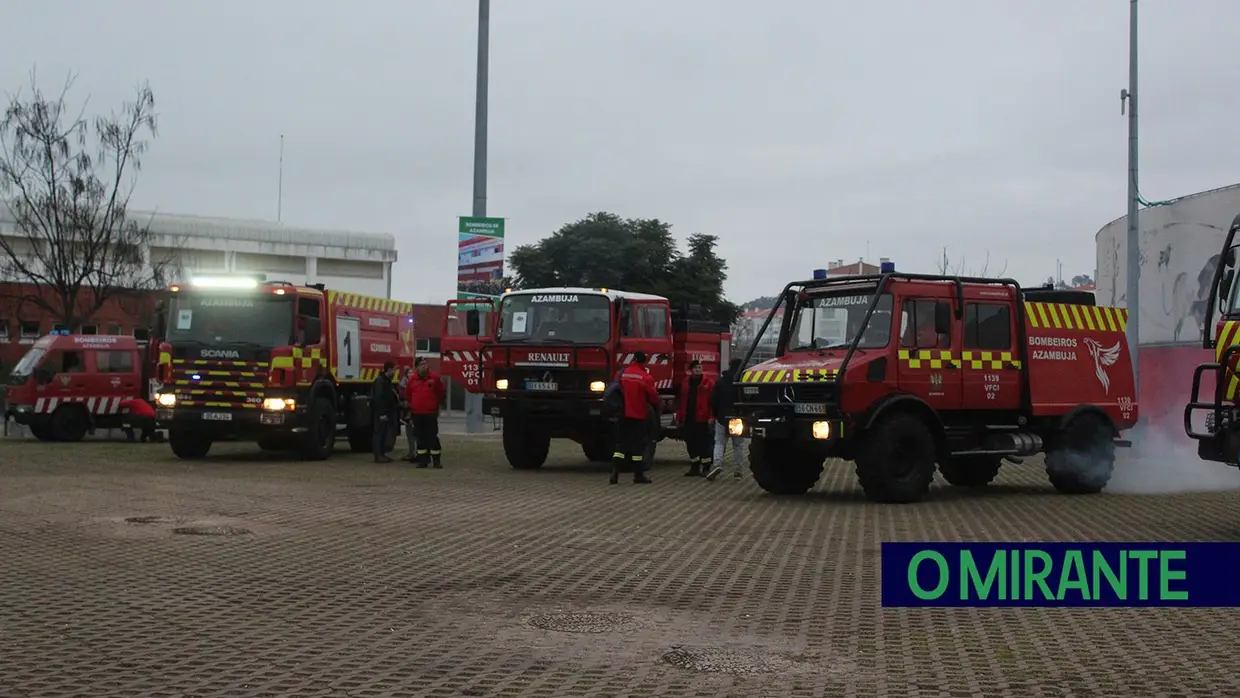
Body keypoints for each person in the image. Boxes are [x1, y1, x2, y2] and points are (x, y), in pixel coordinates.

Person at [611, 351, 660, 485]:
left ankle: (615, 471)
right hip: (638, 415)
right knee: (638, 446)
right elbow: (653, 397)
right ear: (644, 362)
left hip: (623, 414)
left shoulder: (623, 373)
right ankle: (638, 475)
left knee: (621, 445)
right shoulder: (645, 377)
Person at [707, 358, 747, 481]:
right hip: (738, 418)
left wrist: (716, 414)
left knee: (719, 443)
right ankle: (738, 470)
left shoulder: (720, 382)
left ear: (729, 366)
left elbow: (713, 400)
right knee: (738, 445)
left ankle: (717, 465)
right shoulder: (743, 382)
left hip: (722, 417)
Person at [404, 357, 447, 468]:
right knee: (420, 437)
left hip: (430, 413)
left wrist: (436, 405)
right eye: (421, 364)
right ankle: (423, 460)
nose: (424, 366)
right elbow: (407, 394)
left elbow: (441, 392)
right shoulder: (412, 380)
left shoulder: (434, 378)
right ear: (417, 367)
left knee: (432, 437)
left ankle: (436, 461)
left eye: (425, 364)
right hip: (417, 413)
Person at [676, 360, 715, 477]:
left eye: (700, 367)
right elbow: (681, 401)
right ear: (691, 370)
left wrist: (711, 417)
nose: (698, 370)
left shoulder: (708, 383)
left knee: (703, 444)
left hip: (702, 419)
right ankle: (694, 467)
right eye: (696, 368)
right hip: (689, 418)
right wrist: (679, 416)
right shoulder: (686, 383)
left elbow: (712, 402)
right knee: (690, 443)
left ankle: (706, 468)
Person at [369, 361, 400, 463]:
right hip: (381, 413)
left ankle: (381, 454)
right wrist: (382, 413)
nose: (394, 372)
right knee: (379, 433)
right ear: (389, 370)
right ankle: (378, 455)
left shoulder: (385, 381)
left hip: (385, 412)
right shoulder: (381, 382)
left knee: (383, 433)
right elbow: (379, 399)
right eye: (393, 370)